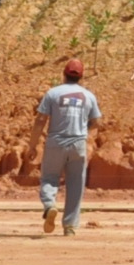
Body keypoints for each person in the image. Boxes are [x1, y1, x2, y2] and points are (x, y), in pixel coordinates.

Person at [34, 59, 102, 236]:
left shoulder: (52, 93)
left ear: (63, 74)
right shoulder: (89, 96)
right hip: (78, 143)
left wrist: (32, 144)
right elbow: (96, 122)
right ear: (81, 76)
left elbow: (41, 119)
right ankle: (70, 226)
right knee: (76, 184)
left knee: (49, 177)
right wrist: (82, 130)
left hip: (56, 141)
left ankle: (50, 205)